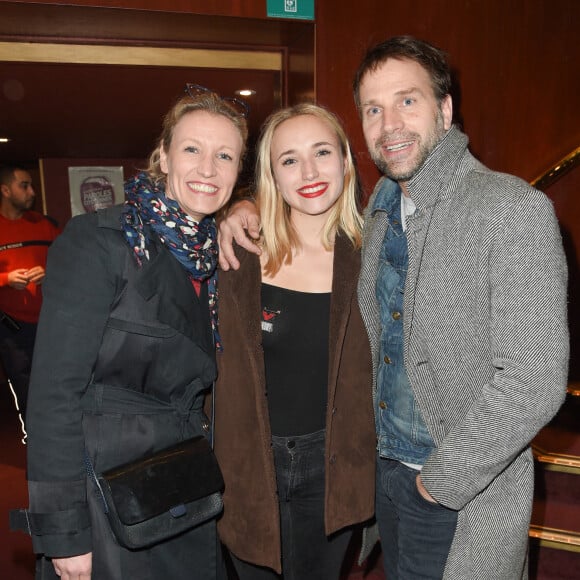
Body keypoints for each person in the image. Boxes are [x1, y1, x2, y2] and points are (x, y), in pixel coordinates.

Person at [217, 36, 569, 580]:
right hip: (384, 481)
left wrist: (441, 480)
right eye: (374, 110)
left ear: (446, 109)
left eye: (408, 101)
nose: (390, 124)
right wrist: (241, 206)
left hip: (456, 488)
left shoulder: (511, 207)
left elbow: (535, 377)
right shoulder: (378, 217)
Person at [17, 87, 248, 580]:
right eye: (192, 149)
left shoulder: (215, 256)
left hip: (180, 486)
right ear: (163, 156)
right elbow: (54, 396)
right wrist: (65, 533)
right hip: (104, 500)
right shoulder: (99, 242)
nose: (208, 168)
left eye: (224, 155)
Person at [213, 103, 376, 579]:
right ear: (272, 176)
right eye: (289, 160)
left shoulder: (376, 259)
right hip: (245, 463)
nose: (308, 171)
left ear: (345, 161)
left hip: (334, 464)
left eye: (322, 152)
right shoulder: (237, 256)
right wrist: (235, 208)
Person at [0, 165, 60, 429]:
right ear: (5, 190)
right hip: (11, 328)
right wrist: (5, 280)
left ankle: (63, 440)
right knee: (25, 389)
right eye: (24, 185)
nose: (32, 192)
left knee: (57, 384)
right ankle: (36, 441)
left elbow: (70, 263)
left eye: (32, 185)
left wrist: (49, 272)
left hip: (50, 323)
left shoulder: (44, 225)